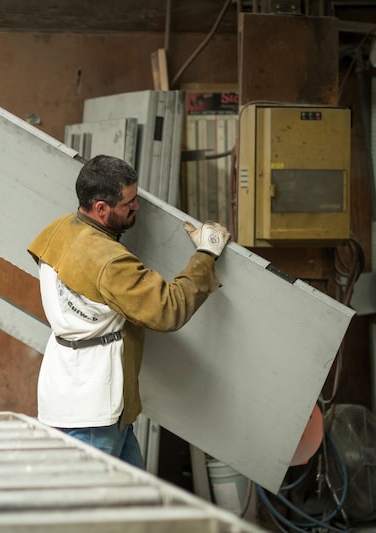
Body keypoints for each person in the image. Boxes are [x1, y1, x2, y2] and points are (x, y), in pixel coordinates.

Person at [26, 154, 230, 469]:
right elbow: (168, 309)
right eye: (129, 203)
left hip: (72, 390)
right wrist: (206, 253)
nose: (137, 207)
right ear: (100, 208)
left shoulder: (58, 231)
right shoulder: (109, 261)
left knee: (132, 500)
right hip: (94, 406)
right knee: (97, 510)